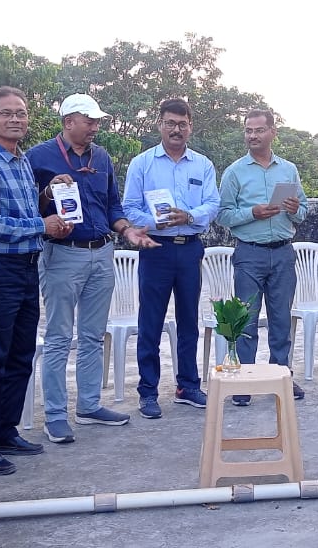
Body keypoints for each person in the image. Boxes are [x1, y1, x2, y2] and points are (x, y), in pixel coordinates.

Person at [0, 86, 73, 475]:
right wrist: (42, 224)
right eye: (6, 114)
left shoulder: (20, 161)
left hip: (25, 269)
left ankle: (6, 430)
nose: (16, 120)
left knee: (21, 355)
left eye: (21, 113)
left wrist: (48, 198)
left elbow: (24, 214)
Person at [26, 94, 154, 443]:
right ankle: (54, 415)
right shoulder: (38, 157)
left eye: (97, 121)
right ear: (69, 122)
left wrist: (127, 229)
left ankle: (88, 405)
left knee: (94, 336)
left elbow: (112, 204)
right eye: (90, 121)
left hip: (102, 252)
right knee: (57, 338)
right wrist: (48, 197)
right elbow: (28, 209)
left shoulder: (102, 157)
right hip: (63, 254)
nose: (96, 127)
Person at [122, 98, 218, 418]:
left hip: (190, 247)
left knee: (189, 319)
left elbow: (212, 205)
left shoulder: (202, 165)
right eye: (170, 123)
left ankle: (188, 386)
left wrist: (188, 216)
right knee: (150, 321)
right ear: (159, 124)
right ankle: (148, 391)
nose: (176, 129)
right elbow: (129, 207)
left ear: (191, 126)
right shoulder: (143, 163)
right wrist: (154, 222)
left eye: (182, 123)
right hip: (156, 251)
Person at [216, 109, 309, 406]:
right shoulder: (234, 172)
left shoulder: (288, 170)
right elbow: (222, 215)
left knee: (282, 320)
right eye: (248, 130)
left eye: (258, 130)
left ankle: (281, 375)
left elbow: (304, 211)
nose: (252, 136)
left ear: (273, 132)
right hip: (249, 253)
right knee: (245, 320)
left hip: (283, 252)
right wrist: (252, 212)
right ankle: (244, 380)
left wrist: (295, 209)